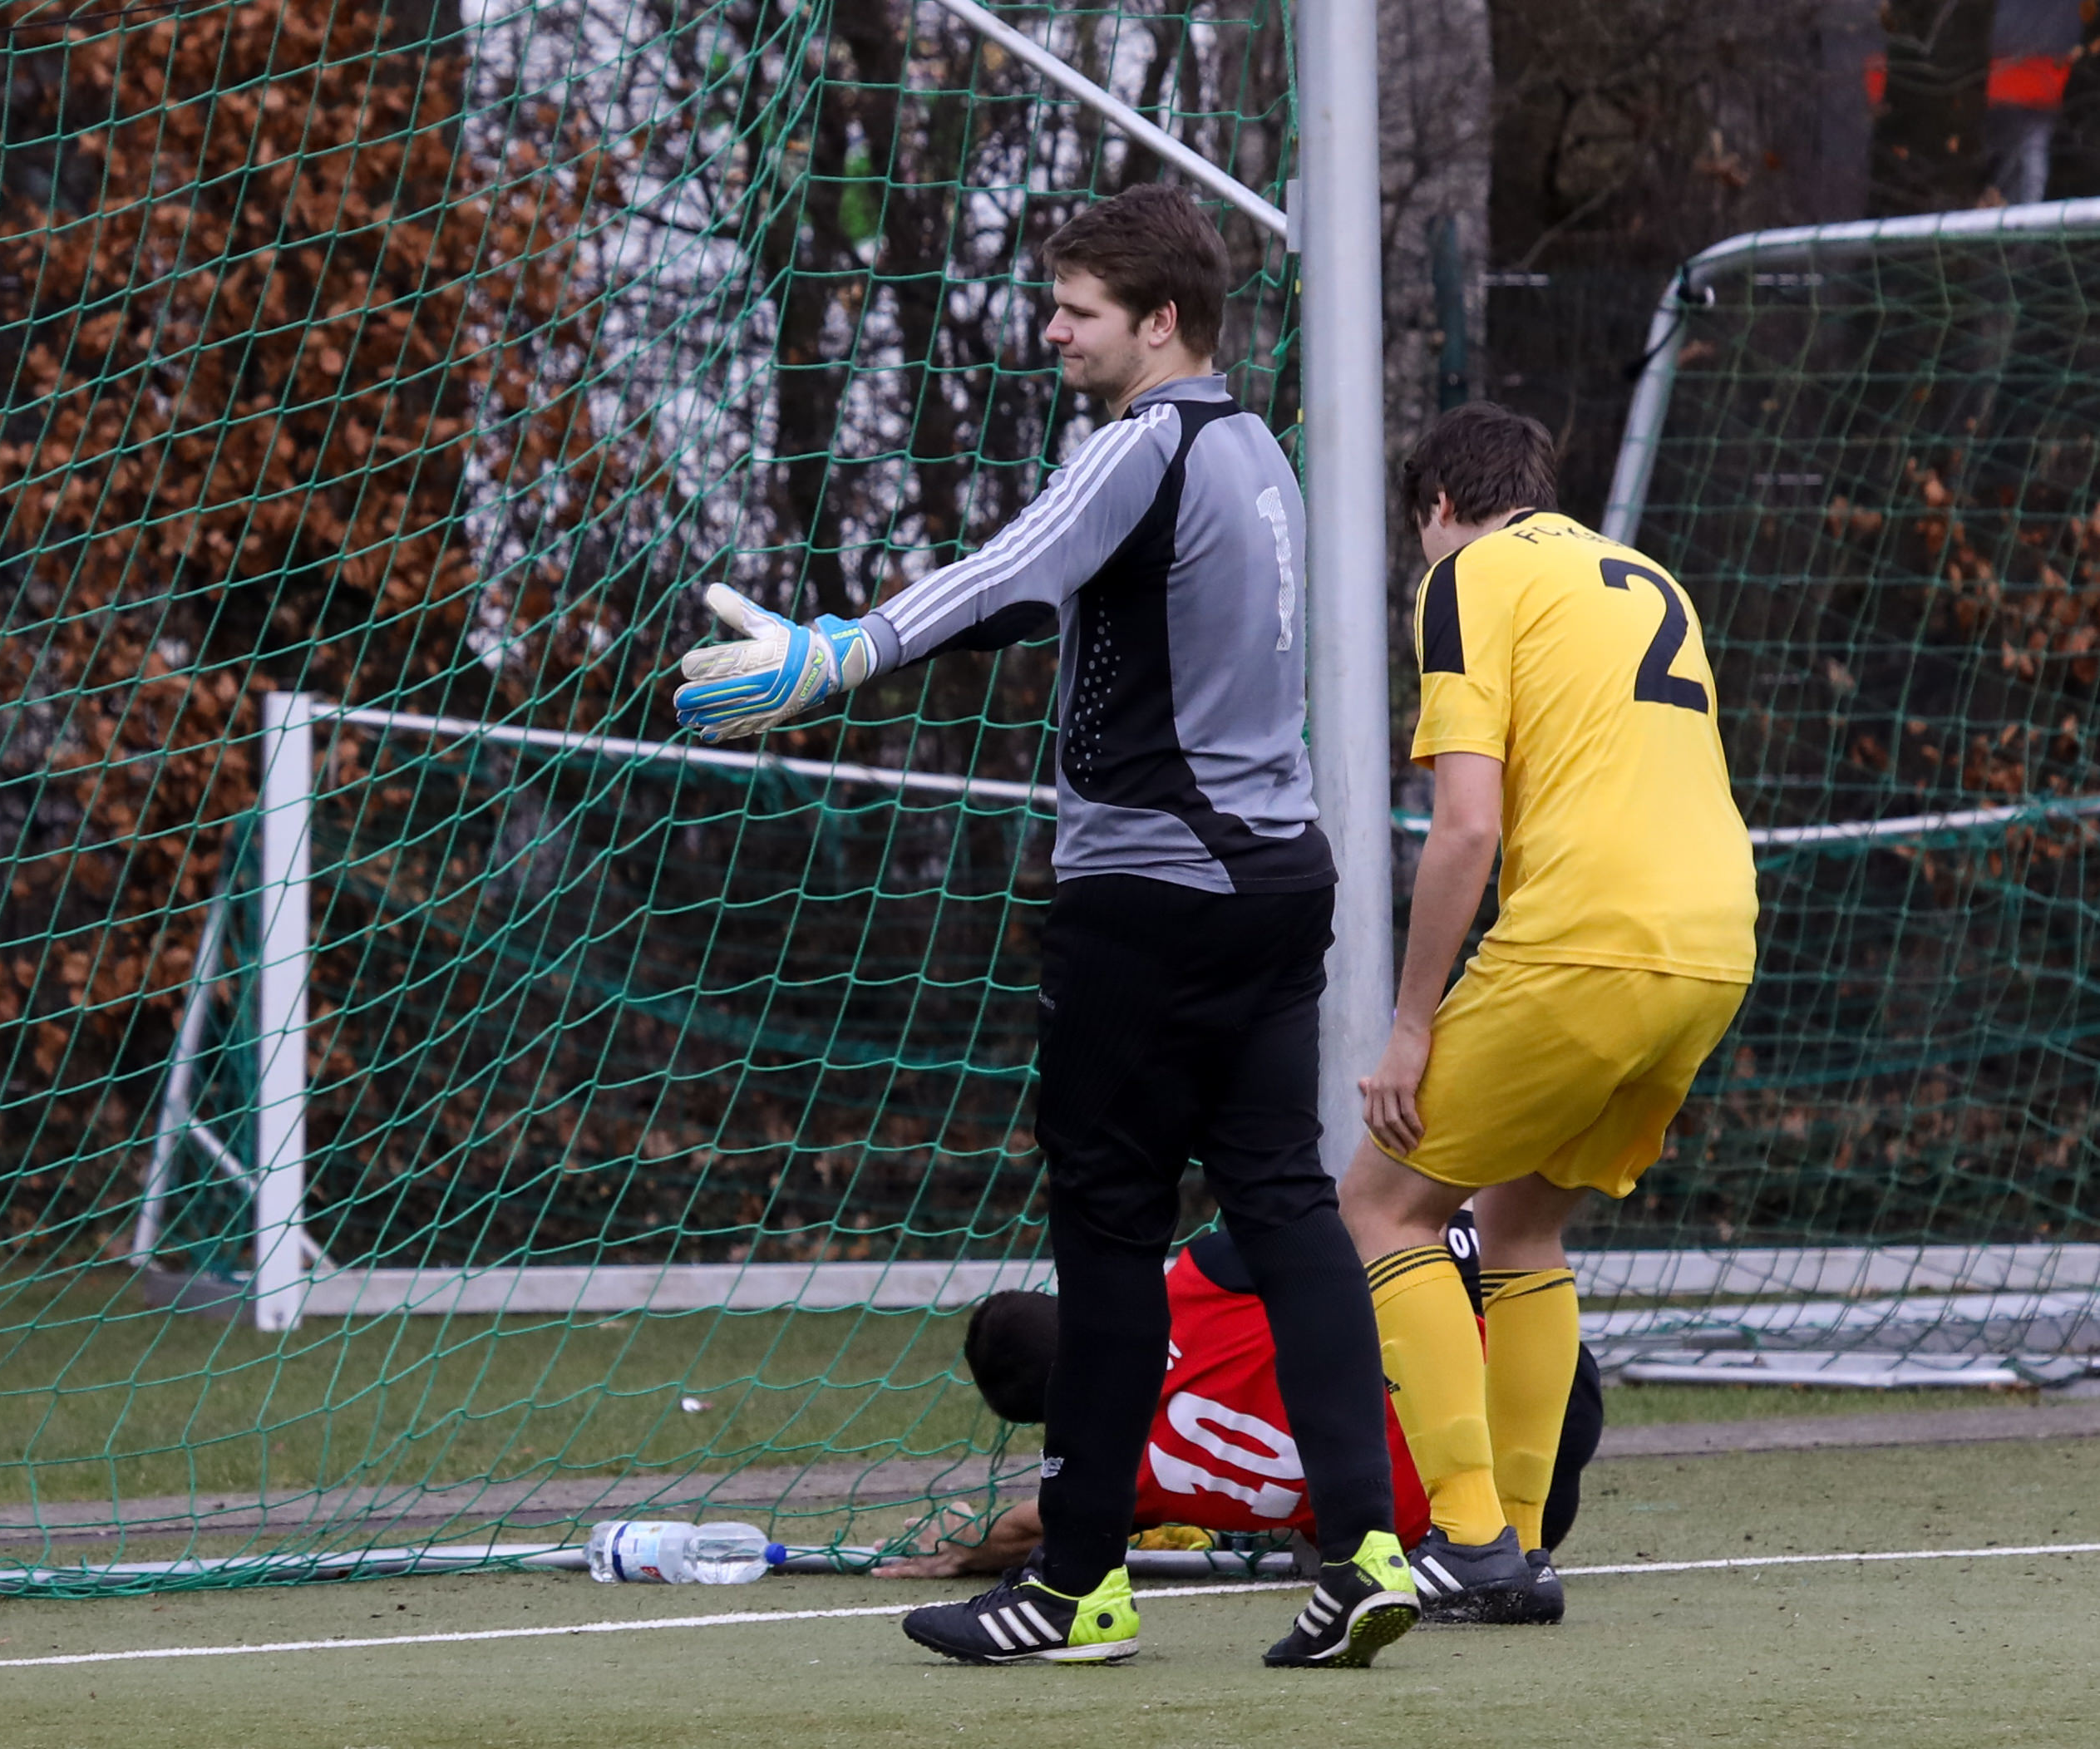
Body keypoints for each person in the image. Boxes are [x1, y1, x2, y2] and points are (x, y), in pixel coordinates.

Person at [669, 183, 1417, 1670]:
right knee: (1286, 1205)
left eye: (1078, 310)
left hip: (1149, 898)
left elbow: (1015, 561)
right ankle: (1368, 1551)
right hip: (1280, 884)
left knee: (1110, 1232)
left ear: (1162, 321)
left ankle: (1077, 1584)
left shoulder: (1143, 441)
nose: (1053, 332)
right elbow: (1064, 595)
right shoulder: (1259, 453)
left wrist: (839, 652)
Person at [1338, 402, 1757, 1624]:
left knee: (1382, 1205)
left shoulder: (1465, 575)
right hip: (1715, 945)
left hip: (1588, 943)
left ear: (1437, 507)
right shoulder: (1644, 575)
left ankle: (1468, 1534)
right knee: (1520, 1225)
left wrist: (1411, 1024)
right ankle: (1519, 1549)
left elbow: (1468, 825)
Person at [872, 1220, 1604, 1587]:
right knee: (1402, 1231)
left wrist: (962, 1548)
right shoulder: (1198, 1282)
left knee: (1326, 1542)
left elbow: (1024, 1529)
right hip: (1541, 1386)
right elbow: (1340, 1233)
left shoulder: (1118, 1479)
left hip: (1511, 1527)